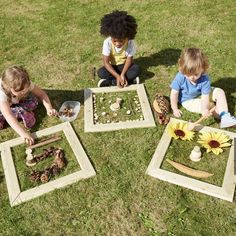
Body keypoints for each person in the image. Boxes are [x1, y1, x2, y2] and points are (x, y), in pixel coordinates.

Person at [170, 47, 236, 128]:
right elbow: (174, 94)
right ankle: (221, 115)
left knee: (220, 92)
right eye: (188, 74)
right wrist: (175, 109)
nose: (192, 77)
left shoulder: (204, 78)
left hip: (200, 93)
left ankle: (225, 116)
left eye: (196, 74)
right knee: (210, 106)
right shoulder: (180, 77)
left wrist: (204, 108)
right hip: (188, 100)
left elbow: (205, 96)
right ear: (182, 70)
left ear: (203, 70)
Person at [0, 65, 57, 145]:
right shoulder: (2, 95)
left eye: (25, 89)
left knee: (33, 101)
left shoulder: (25, 83)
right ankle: (20, 112)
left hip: (13, 102)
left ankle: (20, 111)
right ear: (9, 88)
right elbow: (9, 116)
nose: (23, 92)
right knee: (5, 115)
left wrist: (49, 108)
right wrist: (23, 134)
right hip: (2, 107)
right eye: (20, 91)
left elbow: (41, 94)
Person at [97, 10, 140, 88]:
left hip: (125, 67)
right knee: (101, 72)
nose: (117, 44)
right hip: (112, 66)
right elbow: (106, 63)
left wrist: (122, 74)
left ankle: (112, 81)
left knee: (136, 69)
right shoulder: (107, 42)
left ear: (127, 37)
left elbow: (129, 60)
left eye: (121, 41)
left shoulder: (131, 43)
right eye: (114, 41)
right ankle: (124, 80)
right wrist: (117, 76)